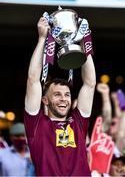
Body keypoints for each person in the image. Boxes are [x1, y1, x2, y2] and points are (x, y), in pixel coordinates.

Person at [24, 16, 96, 176]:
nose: (64, 99)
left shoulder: (78, 122)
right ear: (45, 100)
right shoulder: (36, 124)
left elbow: (90, 83)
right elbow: (32, 80)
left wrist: (84, 41)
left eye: (67, 95)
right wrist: (42, 38)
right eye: (57, 94)